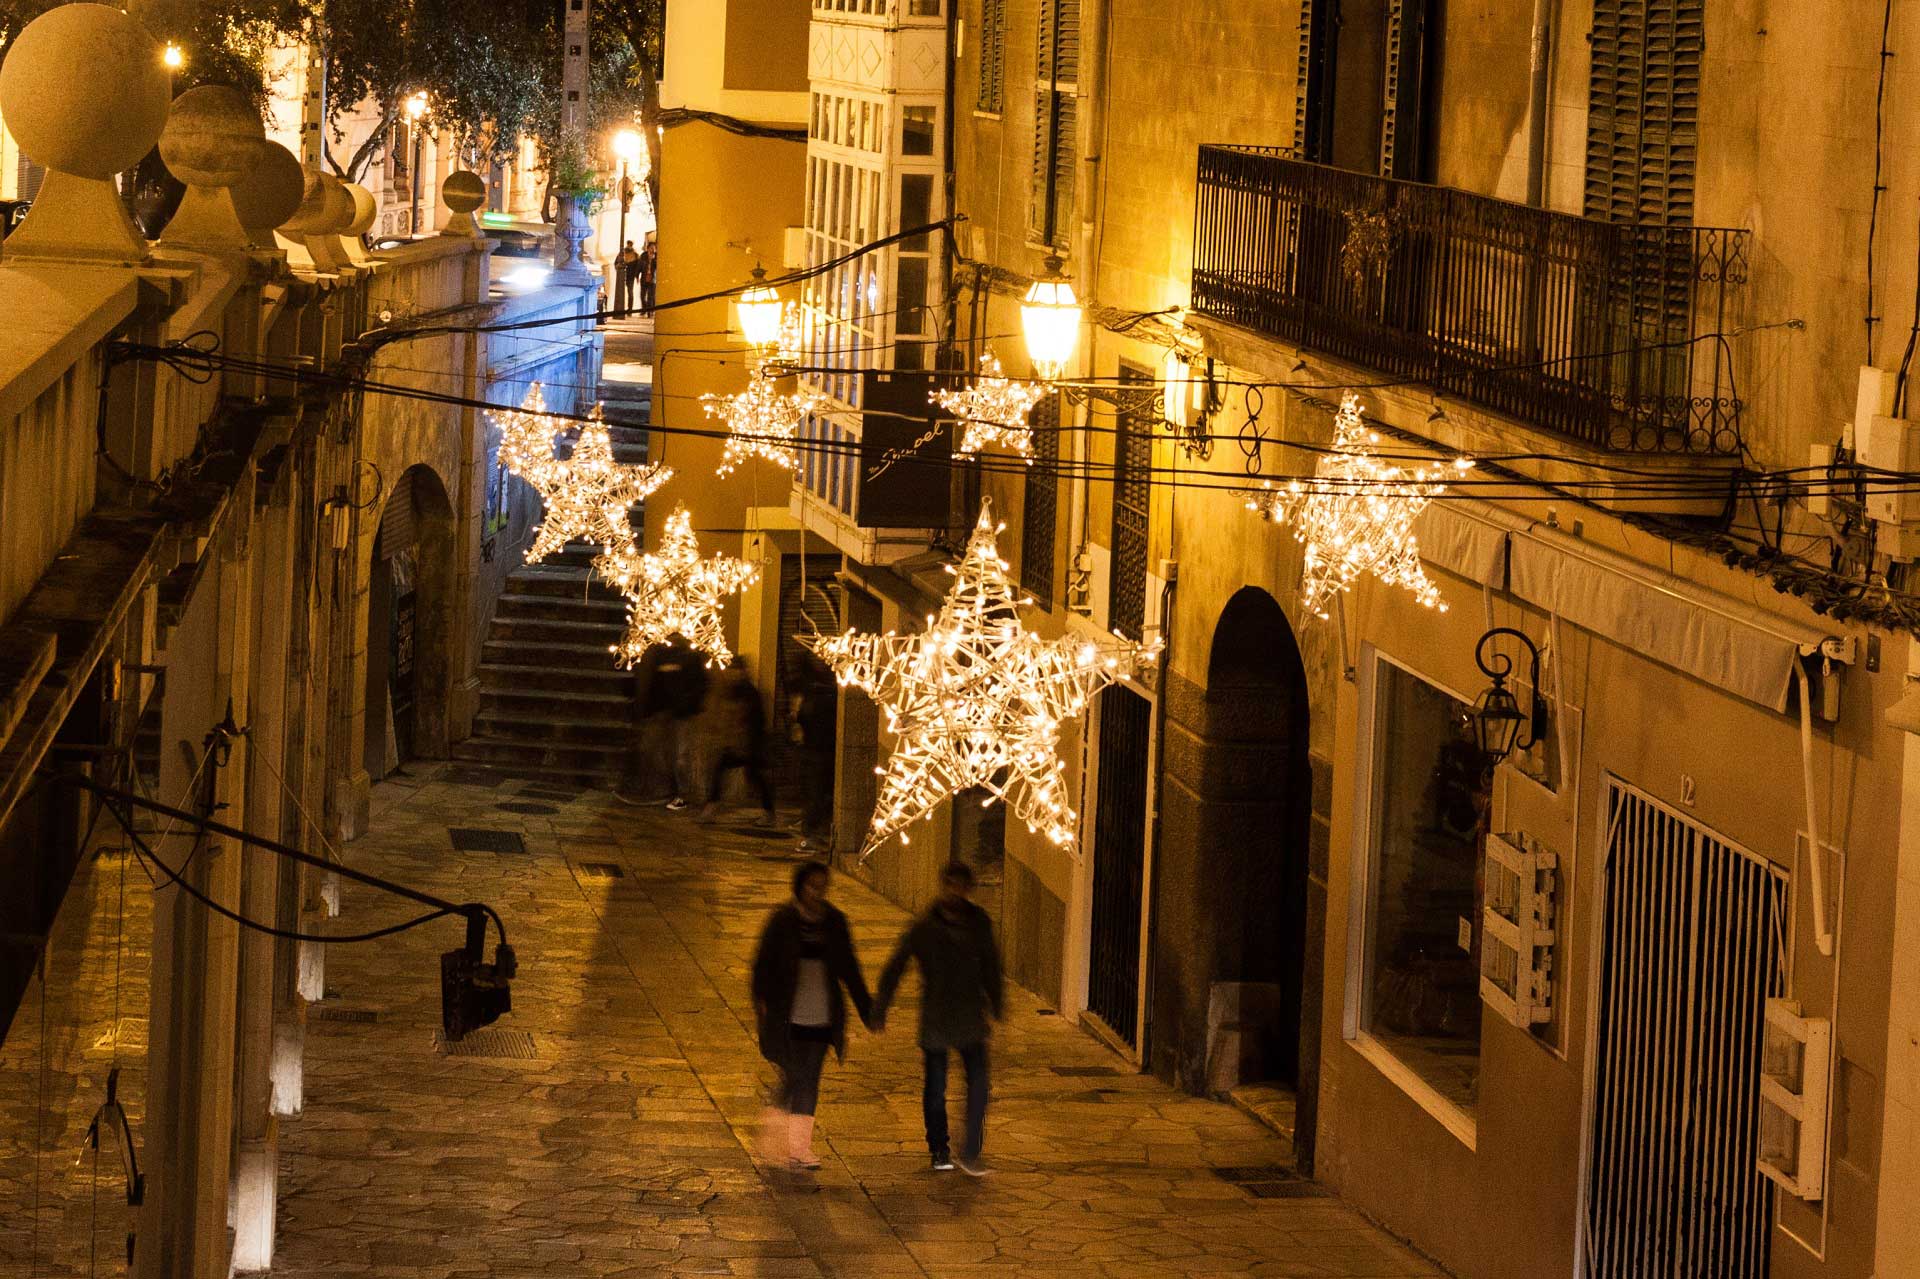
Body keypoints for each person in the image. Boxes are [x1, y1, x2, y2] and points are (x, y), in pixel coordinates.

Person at [875, 861, 1004, 1175]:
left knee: (979, 1086)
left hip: (971, 1015)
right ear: (944, 885)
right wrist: (881, 1005)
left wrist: (997, 1001)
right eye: (951, 884)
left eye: (962, 886)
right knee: (935, 1088)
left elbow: (991, 963)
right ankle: (939, 1148)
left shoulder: (979, 923)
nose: (956, 891)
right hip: (937, 1014)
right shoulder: (925, 926)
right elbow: (897, 964)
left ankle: (971, 1150)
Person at [750, 860, 874, 1170]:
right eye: (811, 886)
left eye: (822, 886)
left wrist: (867, 1010)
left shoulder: (834, 922)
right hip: (788, 1015)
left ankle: (799, 1148)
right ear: (800, 886)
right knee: (794, 1077)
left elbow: (849, 968)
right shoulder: (782, 921)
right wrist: (762, 1001)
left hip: (821, 1015)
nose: (817, 892)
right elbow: (763, 964)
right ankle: (772, 1136)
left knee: (810, 1080)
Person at [618, 633, 707, 808]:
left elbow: (697, 685)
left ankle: (679, 794)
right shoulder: (660, 656)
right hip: (664, 713)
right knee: (659, 753)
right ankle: (661, 791)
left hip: (679, 714)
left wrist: (685, 705)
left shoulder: (687, 658)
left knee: (678, 756)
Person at [700, 656, 777, 826]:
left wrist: (747, 743)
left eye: (736, 670)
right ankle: (711, 808)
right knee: (726, 772)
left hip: (749, 744)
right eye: (731, 670)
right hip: (736, 743)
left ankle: (769, 813)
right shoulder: (731, 690)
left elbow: (754, 721)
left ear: (742, 672)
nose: (732, 674)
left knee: (754, 777)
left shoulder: (749, 693)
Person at [792, 664, 837, 852]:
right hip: (823, 751)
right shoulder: (831, 698)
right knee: (820, 794)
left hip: (811, 748)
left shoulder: (810, 695)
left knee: (814, 793)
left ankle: (810, 832)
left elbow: (801, 718)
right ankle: (811, 834)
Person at [614, 240, 641, 315]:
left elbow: (637, 267)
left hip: (630, 276)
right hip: (623, 275)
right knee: (624, 292)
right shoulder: (622, 254)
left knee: (630, 293)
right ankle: (624, 309)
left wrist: (637, 275)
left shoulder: (635, 255)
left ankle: (629, 309)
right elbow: (616, 263)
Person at [638, 236, 658, 312]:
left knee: (650, 296)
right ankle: (644, 309)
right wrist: (637, 275)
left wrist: (653, 259)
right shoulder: (643, 255)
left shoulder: (656, 257)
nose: (653, 249)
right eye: (651, 248)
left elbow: (657, 267)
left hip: (652, 279)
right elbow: (639, 266)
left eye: (654, 248)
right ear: (648, 248)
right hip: (644, 278)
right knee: (642, 296)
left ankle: (650, 311)